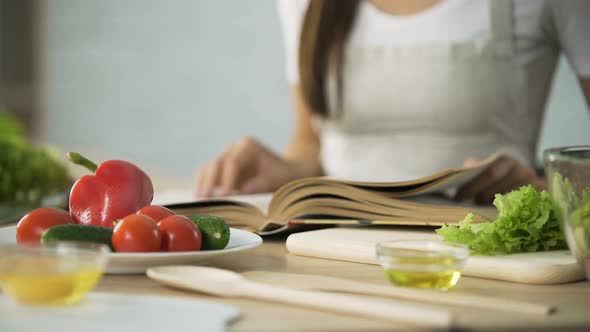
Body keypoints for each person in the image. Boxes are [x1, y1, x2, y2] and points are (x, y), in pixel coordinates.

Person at [195, 0, 590, 204]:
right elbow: (312, 147)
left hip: (487, 261)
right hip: (337, 257)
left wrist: (546, 193)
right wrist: (283, 169)